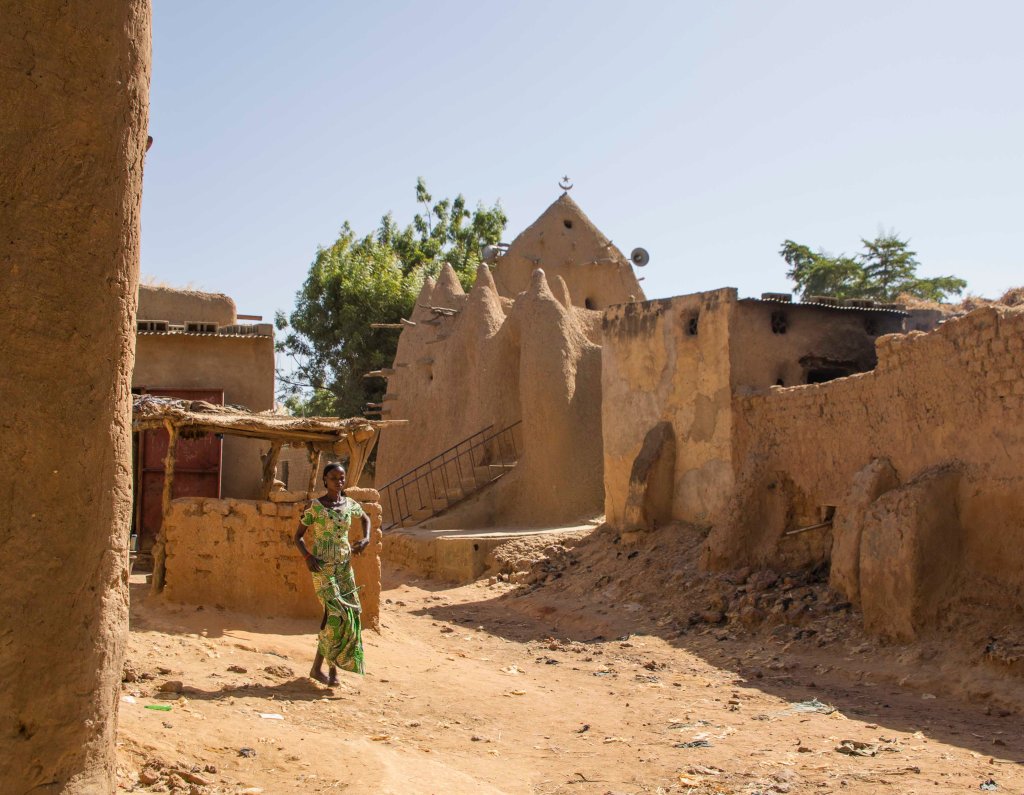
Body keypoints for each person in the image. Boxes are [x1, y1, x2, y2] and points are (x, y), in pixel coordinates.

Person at [294, 462, 371, 684]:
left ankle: (326, 668)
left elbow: (365, 518)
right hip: (322, 568)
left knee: (347, 614)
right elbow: (297, 536)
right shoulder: (315, 507)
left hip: (344, 567)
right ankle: (324, 668)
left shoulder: (349, 504)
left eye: (342, 478)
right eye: (334, 478)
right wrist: (308, 557)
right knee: (337, 614)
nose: (339, 481)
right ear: (325, 481)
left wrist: (366, 539)